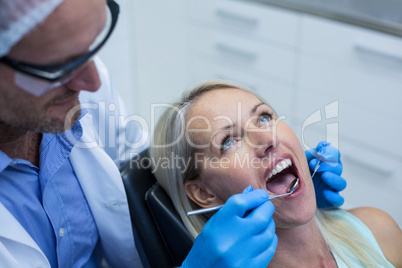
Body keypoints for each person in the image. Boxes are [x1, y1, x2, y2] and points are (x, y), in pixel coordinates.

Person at [0, 0, 346, 267]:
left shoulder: (373, 229)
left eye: (264, 117)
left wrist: (294, 192)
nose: (93, 82)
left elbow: (139, 175)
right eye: (57, 67)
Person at [150, 80, 402, 267]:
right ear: (204, 193)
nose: (268, 138)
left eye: (263, 117)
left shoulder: (377, 230)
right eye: (229, 142)